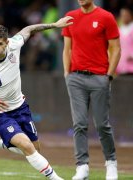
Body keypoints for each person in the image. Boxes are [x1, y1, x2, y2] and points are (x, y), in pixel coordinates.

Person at [0, 17, 73, 180]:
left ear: (7, 42)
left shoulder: (14, 44)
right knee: (25, 145)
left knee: (35, 149)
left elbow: (29, 29)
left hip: (21, 107)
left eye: (0, 44)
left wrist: (55, 25)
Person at [61, 0, 121, 179]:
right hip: (75, 78)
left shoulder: (106, 17)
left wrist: (108, 76)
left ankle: (111, 164)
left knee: (102, 125)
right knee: (79, 124)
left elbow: (116, 49)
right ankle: (82, 167)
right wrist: (67, 73)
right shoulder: (70, 17)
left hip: (99, 77)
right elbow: (67, 48)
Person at [116, 7, 133, 75]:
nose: (124, 17)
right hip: (121, 64)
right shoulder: (119, 30)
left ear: (130, 16)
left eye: (126, 15)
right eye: (122, 15)